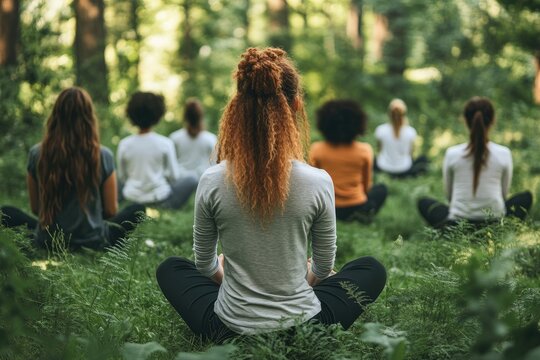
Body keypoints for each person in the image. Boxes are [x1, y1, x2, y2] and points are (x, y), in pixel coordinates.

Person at [156, 48, 386, 343]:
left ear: (237, 109)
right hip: (305, 328)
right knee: (371, 269)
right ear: (296, 106)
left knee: (171, 268)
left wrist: (236, 282)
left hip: (228, 328)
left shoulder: (211, 180)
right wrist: (290, 284)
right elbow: (323, 267)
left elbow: (204, 265)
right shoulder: (317, 181)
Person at [0, 87, 145, 250]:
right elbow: (110, 211)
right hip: (93, 241)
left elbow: (36, 209)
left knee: (6, 212)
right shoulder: (103, 155)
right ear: (89, 117)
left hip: (49, 241)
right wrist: (89, 218)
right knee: (137, 209)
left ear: (55, 115)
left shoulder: (36, 153)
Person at [417, 97, 533, 228]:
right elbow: (503, 194)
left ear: (465, 120)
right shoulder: (504, 153)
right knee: (526, 197)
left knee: (423, 202)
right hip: (494, 223)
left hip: (457, 224)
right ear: (493, 120)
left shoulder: (452, 153)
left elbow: (449, 196)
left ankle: (449, 232)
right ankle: (501, 229)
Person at [309, 100, 387, 223]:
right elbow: (367, 187)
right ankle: (361, 216)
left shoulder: (316, 149)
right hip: (356, 205)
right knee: (381, 189)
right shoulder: (365, 150)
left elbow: (313, 185)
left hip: (328, 208)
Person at [117, 91, 198, 209]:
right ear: (158, 115)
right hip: (160, 199)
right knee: (192, 178)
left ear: (131, 114)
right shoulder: (165, 143)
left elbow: (122, 177)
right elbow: (174, 176)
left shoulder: (124, 144)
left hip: (132, 198)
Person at [374, 99, 428, 178]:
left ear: (389, 114)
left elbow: (379, 150)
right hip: (404, 169)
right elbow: (411, 153)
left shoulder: (380, 130)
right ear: (404, 114)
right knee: (423, 159)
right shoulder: (411, 131)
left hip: (383, 168)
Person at [169, 99, 217, 181]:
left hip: (181, 183)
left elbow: (170, 168)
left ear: (185, 117)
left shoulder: (174, 138)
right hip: (204, 182)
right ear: (201, 116)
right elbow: (215, 166)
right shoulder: (211, 139)